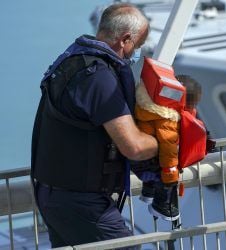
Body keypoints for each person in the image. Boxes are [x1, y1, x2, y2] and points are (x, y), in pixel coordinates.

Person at [30, 3, 158, 249]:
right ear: (125, 40)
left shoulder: (71, 62)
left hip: (54, 193)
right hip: (80, 201)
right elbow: (133, 147)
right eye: (137, 47)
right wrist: (169, 142)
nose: (135, 54)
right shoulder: (98, 77)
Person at [133, 74, 202, 221]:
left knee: (158, 169)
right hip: (146, 162)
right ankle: (163, 207)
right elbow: (168, 150)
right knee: (166, 178)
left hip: (140, 158)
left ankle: (148, 192)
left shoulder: (148, 104)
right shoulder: (167, 120)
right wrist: (171, 176)